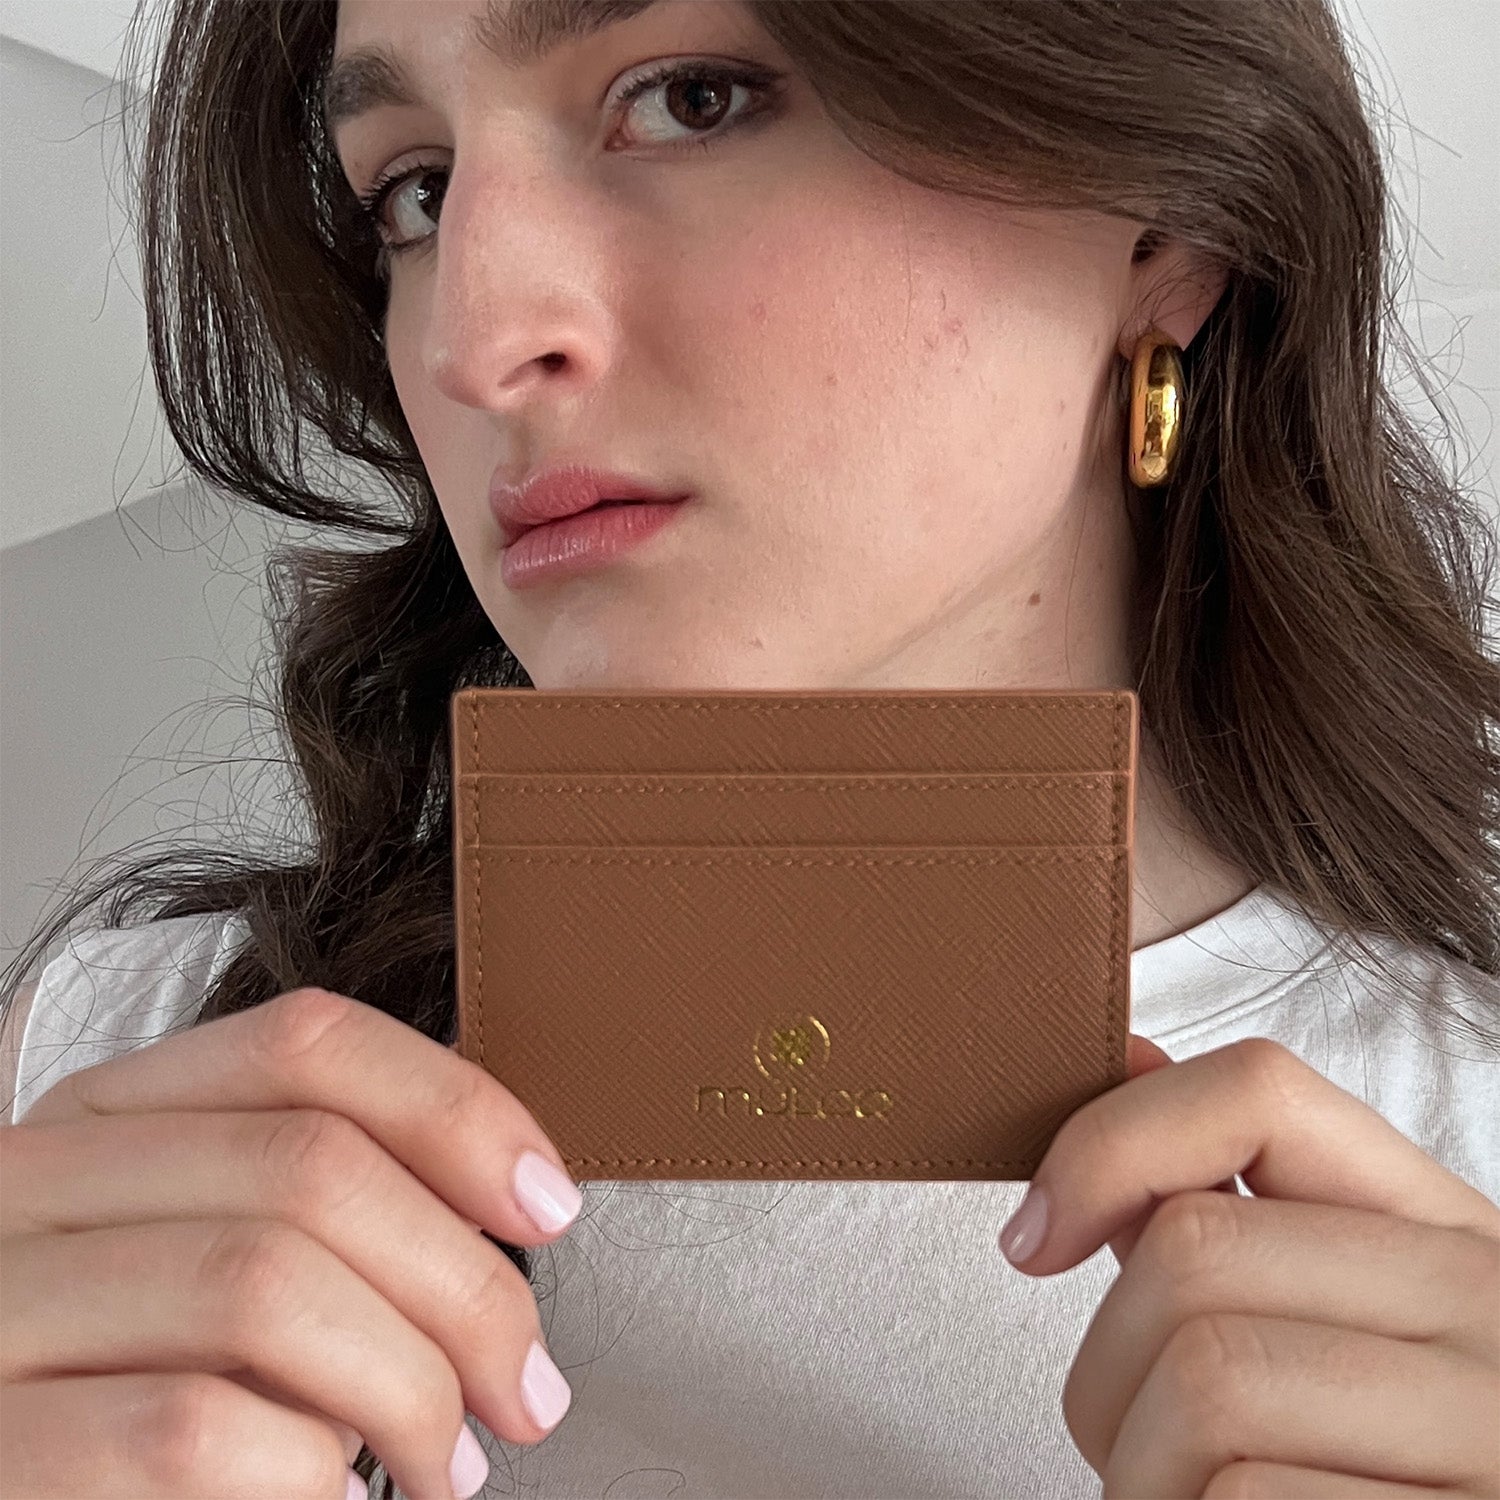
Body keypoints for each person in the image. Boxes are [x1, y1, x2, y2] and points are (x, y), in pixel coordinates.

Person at [2, 0, 1497, 1497]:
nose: (471, 342)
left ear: (1166, 233)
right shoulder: (118, 1092)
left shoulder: (1468, 1143)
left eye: (690, 99)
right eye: (419, 193)